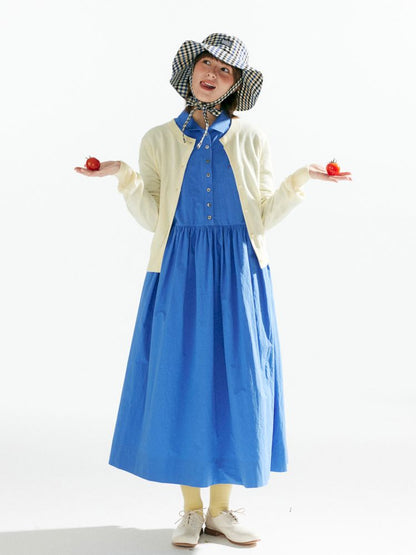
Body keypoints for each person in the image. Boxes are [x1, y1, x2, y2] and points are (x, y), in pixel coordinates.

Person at [74, 33, 352, 549]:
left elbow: (262, 215)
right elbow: (151, 217)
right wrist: (125, 178)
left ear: (234, 87)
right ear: (190, 71)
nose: (213, 74)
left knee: (237, 380)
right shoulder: (158, 139)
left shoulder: (252, 138)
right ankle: (190, 511)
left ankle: (221, 511)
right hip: (179, 270)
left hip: (240, 272)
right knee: (181, 378)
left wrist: (300, 181)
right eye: (207, 64)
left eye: (226, 71)